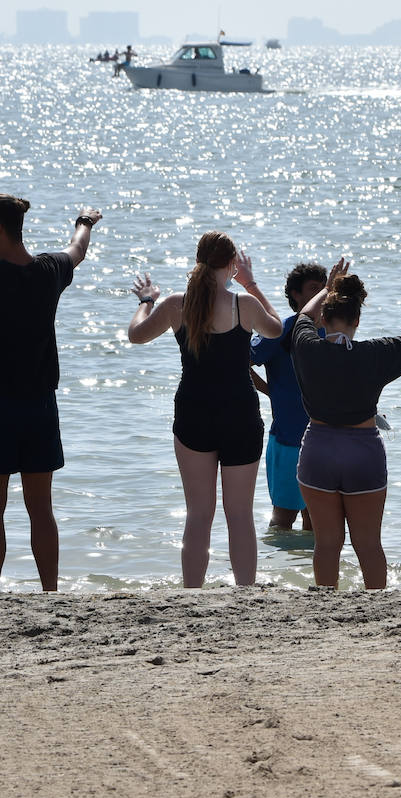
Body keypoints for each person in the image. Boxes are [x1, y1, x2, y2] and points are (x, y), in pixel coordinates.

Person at [127, 232, 283, 587]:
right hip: (240, 415)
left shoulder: (174, 304)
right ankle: (245, 591)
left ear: (198, 260)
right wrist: (251, 283)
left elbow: (135, 335)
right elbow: (275, 330)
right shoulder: (244, 304)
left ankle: (191, 595)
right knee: (240, 514)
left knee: (198, 514)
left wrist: (147, 300)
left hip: (194, 413)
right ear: (230, 265)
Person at [287, 261, 401, 589]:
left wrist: (328, 288)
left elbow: (302, 317)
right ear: (358, 320)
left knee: (326, 544)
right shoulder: (374, 354)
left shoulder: (305, 346)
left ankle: (326, 604)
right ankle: (376, 606)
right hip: (363, 452)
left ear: (325, 319)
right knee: (368, 544)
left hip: (318, 451)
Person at [0, 195, 101, 591]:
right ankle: (50, 593)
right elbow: (77, 250)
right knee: (41, 508)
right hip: (40, 405)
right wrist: (85, 220)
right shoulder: (48, 271)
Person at [250, 262, 327, 532]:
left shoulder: (330, 332)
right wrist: (270, 391)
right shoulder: (281, 331)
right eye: (315, 289)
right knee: (282, 519)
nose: (323, 295)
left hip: (324, 440)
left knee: (315, 521)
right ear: (296, 295)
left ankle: (308, 575)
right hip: (287, 440)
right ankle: (274, 572)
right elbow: (240, 360)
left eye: (325, 288)